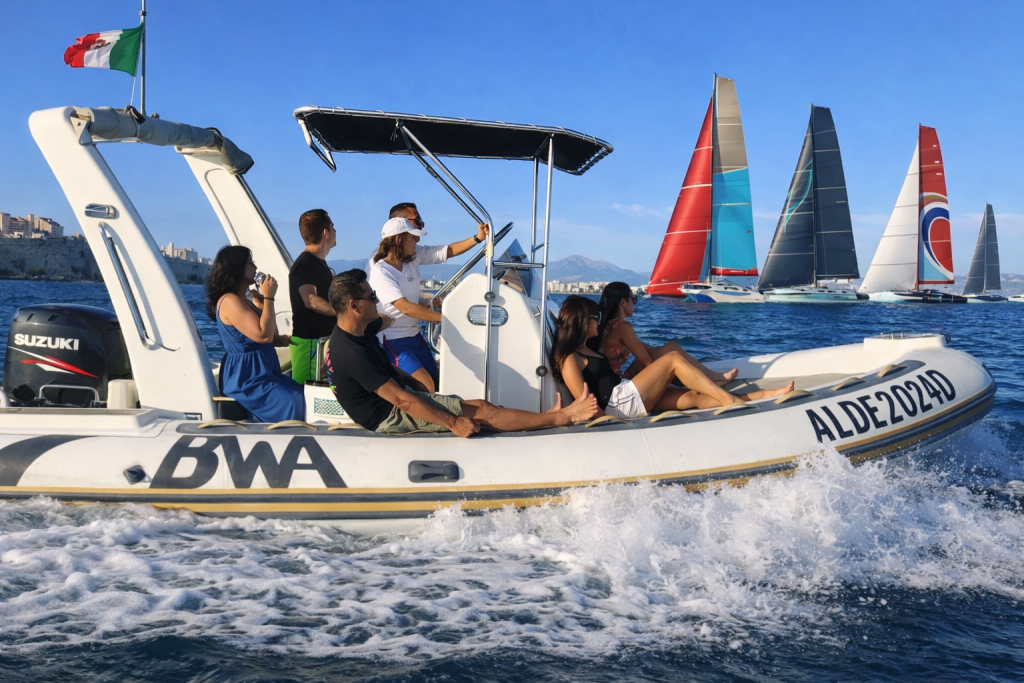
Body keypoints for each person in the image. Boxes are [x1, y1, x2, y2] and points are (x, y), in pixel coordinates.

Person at [326, 269, 599, 437]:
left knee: (476, 408)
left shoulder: (359, 331)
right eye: (371, 298)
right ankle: (562, 417)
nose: (377, 302)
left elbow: (387, 368)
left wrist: (421, 389)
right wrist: (453, 422)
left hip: (393, 402)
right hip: (388, 416)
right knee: (482, 409)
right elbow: (402, 402)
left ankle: (542, 420)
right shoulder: (351, 352)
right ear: (353, 305)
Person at [553, 296, 793, 419]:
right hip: (619, 405)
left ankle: (762, 396)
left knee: (693, 397)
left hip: (625, 395)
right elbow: (584, 402)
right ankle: (731, 402)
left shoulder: (586, 348)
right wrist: (612, 425)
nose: (598, 319)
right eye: (594, 316)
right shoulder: (569, 358)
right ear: (583, 322)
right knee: (673, 359)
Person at [367, 202, 489, 392]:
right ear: (400, 239)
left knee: (437, 380)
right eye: (414, 237)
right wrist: (448, 319)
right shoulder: (381, 270)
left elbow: (445, 251)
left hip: (415, 335)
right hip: (393, 340)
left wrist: (478, 238)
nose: (417, 241)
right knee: (427, 386)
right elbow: (405, 307)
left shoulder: (412, 256)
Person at [206, 245, 304, 422]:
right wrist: (269, 298)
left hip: (263, 371)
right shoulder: (230, 301)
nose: (255, 267)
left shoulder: (243, 299)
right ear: (238, 268)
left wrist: (262, 307)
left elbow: (268, 335)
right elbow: (263, 335)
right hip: (247, 377)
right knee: (292, 400)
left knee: (299, 391)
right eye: (250, 263)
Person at [593, 281, 737, 384]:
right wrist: (673, 370)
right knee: (671, 353)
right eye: (634, 299)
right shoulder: (622, 327)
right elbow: (647, 362)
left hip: (610, 382)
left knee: (671, 348)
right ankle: (713, 378)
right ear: (623, 302)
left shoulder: (608, 325)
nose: (635, 303)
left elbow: (646, 349)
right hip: (617, 385)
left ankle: (709, 376)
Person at [288, 209, 338, 384]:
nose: (335, 231)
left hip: (322, 342)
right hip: (309, 344)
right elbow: (310, 300)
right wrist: (342, 313)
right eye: (333, 227)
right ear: (325, 232)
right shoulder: (305, 264)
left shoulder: (319, 265)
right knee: (306, 395)